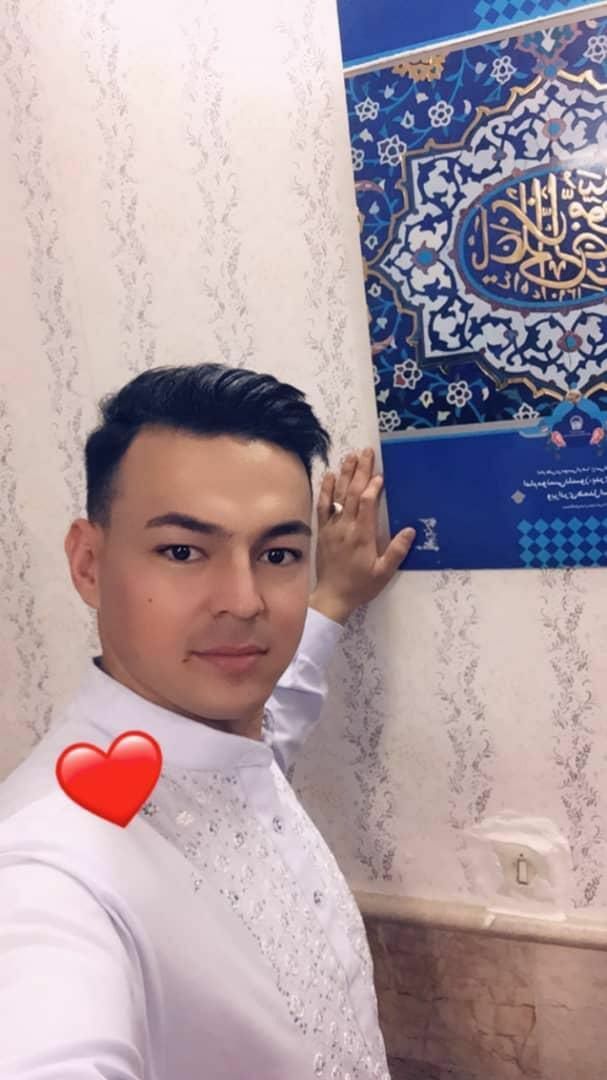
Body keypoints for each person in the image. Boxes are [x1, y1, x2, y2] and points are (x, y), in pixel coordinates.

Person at [0, 363, 415, 1080]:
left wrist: (332, 599)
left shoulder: (228, 743)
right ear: (89, 564)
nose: (244, 600)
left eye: (277, 554)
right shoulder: (45, 869)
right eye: (183, 551)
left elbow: (272, 725)